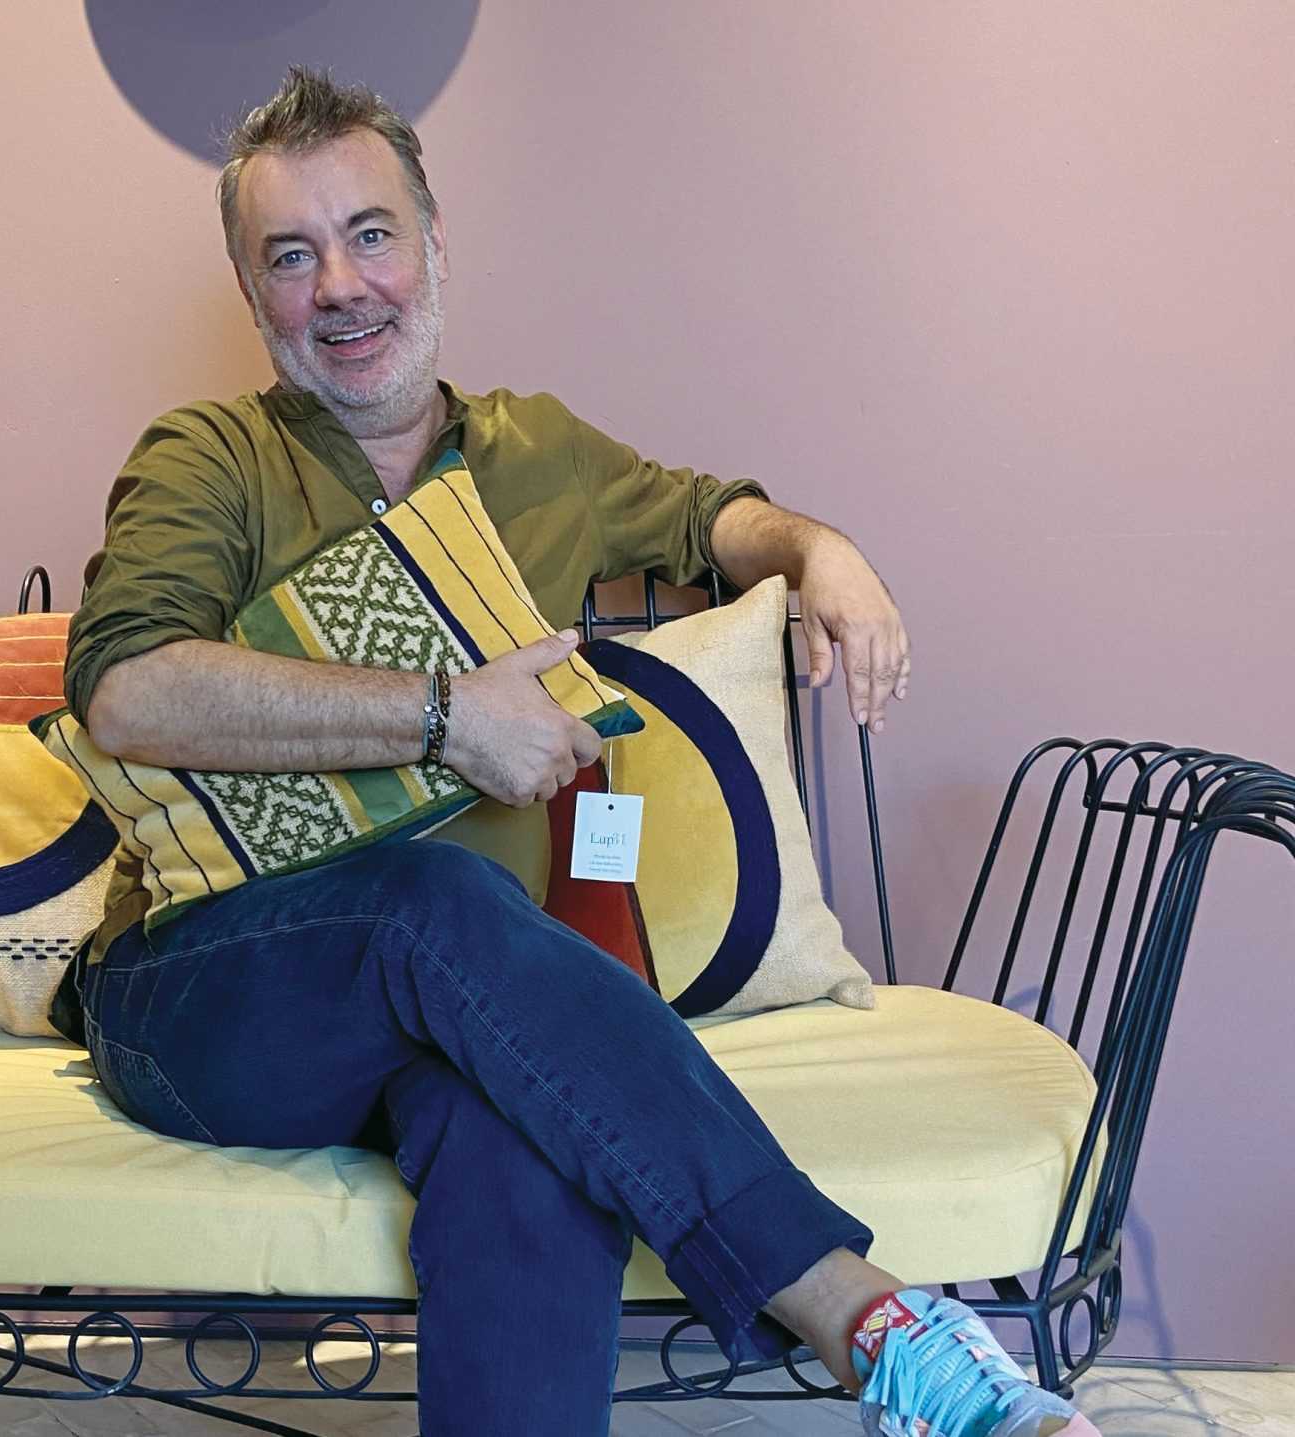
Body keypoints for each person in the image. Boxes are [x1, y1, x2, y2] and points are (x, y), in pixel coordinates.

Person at [60, 67, 1098, 1437]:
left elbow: (713, 521)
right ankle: (870, 1322)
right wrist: (445, 716)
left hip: (463, 1002)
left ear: (435, 243)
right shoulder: (208, 457)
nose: (342, 287)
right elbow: (125, 689)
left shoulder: (538, 453)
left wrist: (822, 551)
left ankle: (901, 1356)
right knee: (431, 899)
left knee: (525, 1129)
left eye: (371, 234)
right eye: (292, 256)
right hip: (207, 990)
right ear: (253, 294)